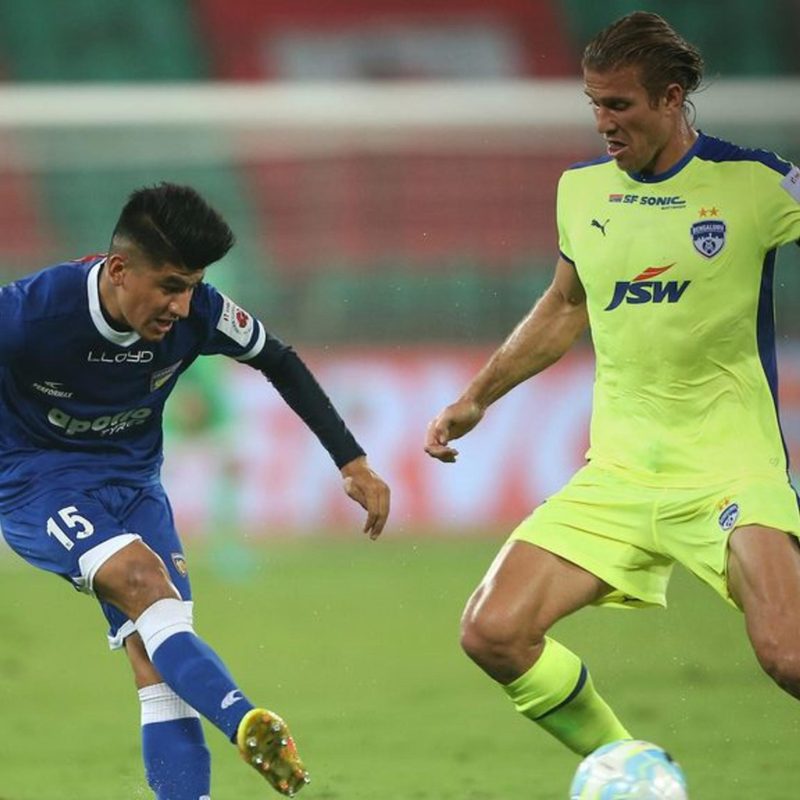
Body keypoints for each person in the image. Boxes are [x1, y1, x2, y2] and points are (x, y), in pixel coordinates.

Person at [425, 10, 800, 761]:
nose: (603, 122)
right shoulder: (582, 190)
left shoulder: (756, 184)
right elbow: (567, 304)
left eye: (619, 104)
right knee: (494, 631)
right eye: (594, 104)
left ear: (671, 98)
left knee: (788, 656)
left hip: (731, 466)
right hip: (620, 474)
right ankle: (632, 772)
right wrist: (477, 396)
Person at [0, 182, 390, 799]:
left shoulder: (203, 311)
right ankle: (245, 720)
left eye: (192, 286)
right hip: (37, 482)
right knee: (143, 580)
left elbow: (278, 359)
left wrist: (353, 460)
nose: (182, 306)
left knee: (158, 662)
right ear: (120, 270)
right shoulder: (31, 313)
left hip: (134, 484)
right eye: (171, 286)